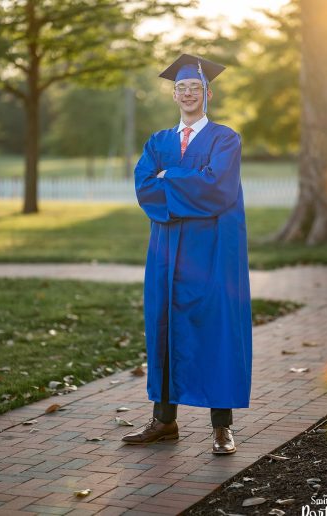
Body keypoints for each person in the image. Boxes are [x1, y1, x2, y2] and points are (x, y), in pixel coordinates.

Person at [122, 54, 252, 454]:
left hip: (212, 252)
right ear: (174, 94)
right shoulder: (158, 141)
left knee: (217, 330)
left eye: (195, 87)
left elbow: (217, 189)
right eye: (181, 88)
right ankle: (164, 421)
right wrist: (183, 183)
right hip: (166, 254)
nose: (188, 93)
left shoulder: (224, 139)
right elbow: (144, 186)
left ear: (207, 93)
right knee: (164, 328)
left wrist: (170, 178)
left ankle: (221, 427)